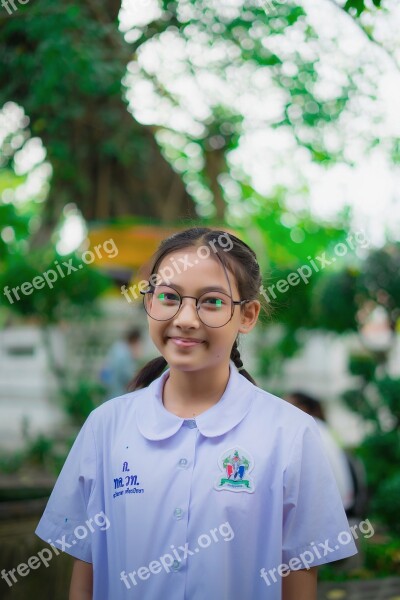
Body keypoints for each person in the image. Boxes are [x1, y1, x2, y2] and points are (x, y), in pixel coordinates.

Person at [35, 227, 357, 600]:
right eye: (169, 297)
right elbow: (86, 567)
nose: (186, 318)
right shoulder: (105, 428)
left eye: (212, 302)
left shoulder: (291, 434)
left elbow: (299, 577)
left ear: (248, 315)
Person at [285, 391, 367, 519]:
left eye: (287, 404)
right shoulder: (323, 428)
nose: (282, 409)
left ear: (303, 408)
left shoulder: (306, 429)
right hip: (345, 506)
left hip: (329, 511)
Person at [100, 328, 142, 400]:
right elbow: (127, 376)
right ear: (136, 340)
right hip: (119, 393)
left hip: (110, 391)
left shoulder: (117, 347)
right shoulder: (125, 354)